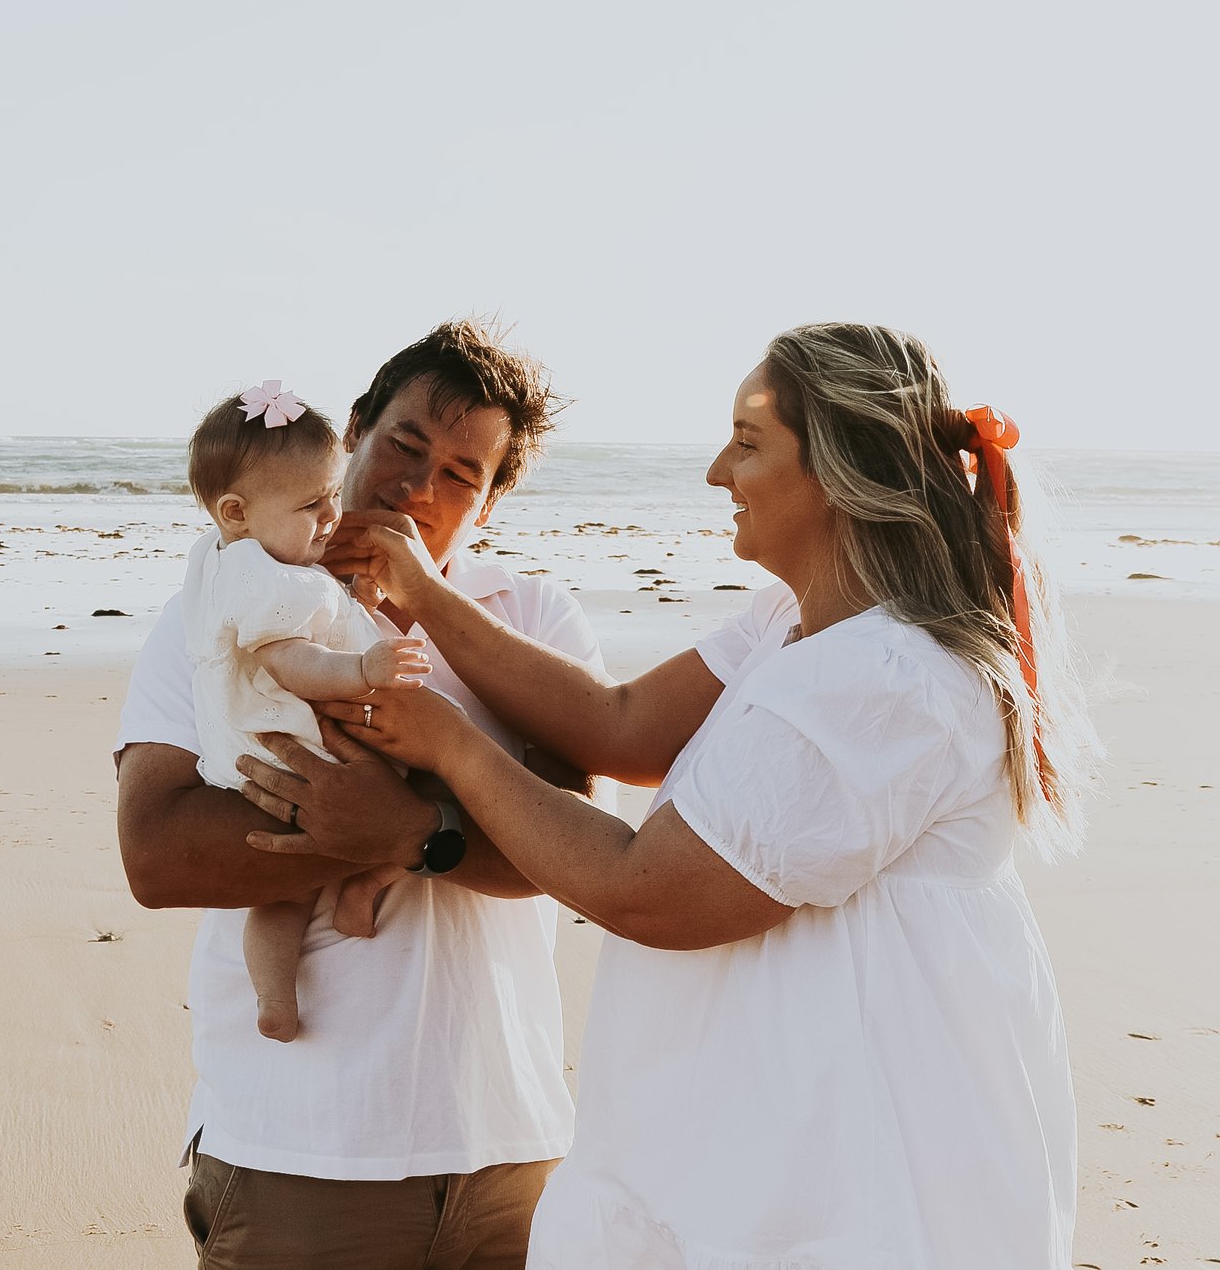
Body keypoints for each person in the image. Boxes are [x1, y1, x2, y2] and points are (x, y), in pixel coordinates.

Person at [273, 321, 1098, 1268]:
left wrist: (450, 744)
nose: (717, 471)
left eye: (747, 443)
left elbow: (646, 890)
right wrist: (422, 593)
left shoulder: (888, 680)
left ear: (841, 472)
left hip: (848, 1156)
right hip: (752, 1128)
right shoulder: (793, 620)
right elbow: (617, 724)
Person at [115, 320, 601, 1270]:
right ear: (354, 433)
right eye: (404, 445)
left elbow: (578, 848)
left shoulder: (534, 621)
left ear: (491, 502)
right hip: (298, 1147)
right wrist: (360, 827)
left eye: (460, 474)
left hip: (510, 1148)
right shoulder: (224, 605)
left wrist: (415, 830)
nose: (418, 487)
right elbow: (156, 852)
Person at [174, 381, 431, 1042]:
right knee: (424, 797)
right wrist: (362, 670)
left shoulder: (233, 560)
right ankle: (361, 887)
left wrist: (356, 596)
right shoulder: (260, 578)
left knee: (279, 896)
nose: (332, 515)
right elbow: (294, 662)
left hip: (256, 758)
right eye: (311, 504)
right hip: (300, 748)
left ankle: (274, 996)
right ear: (236, 512)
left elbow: (321, 612)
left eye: (333, 494)